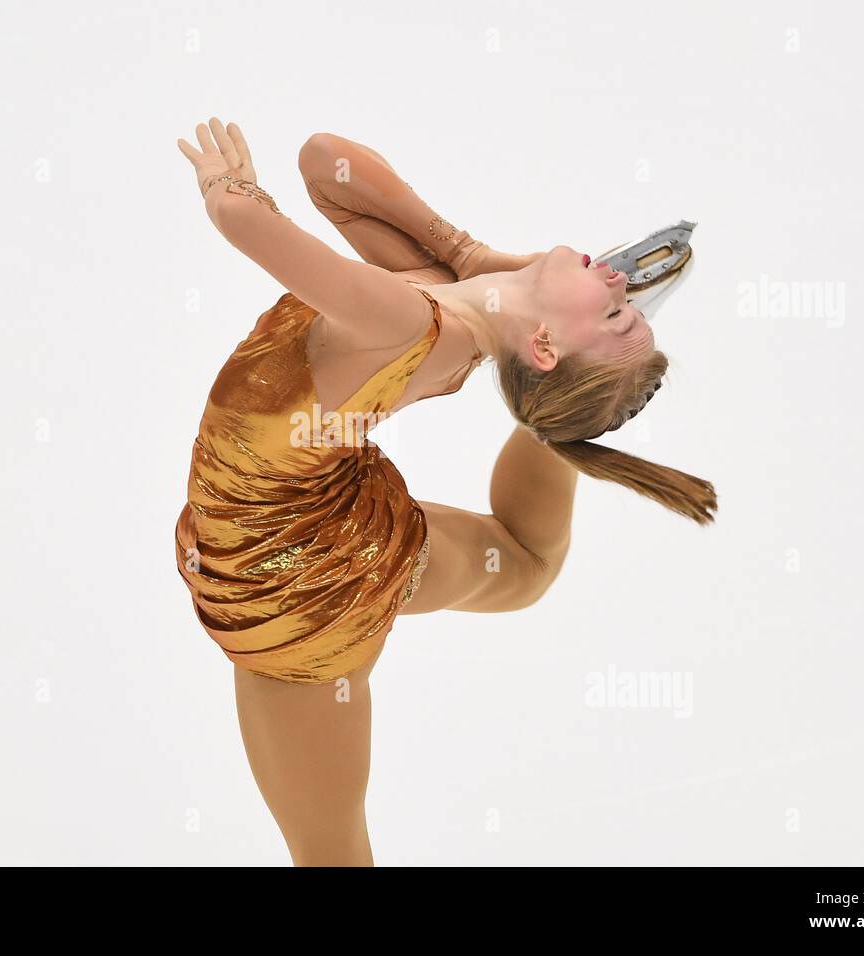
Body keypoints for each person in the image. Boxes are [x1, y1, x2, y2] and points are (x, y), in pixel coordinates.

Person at [174, 118, 716, 865]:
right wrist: (475, 258)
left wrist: (225, 187)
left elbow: (240, 217)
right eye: (624, 299)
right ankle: (561, 414)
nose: (621, 275)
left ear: (546, 348)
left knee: (328, 854)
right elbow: (328, 168)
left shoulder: (405, 320)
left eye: (620, 309)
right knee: (521, 561)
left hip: (297, 590)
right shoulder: (456, 302)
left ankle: (562, 411)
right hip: (330, 511)